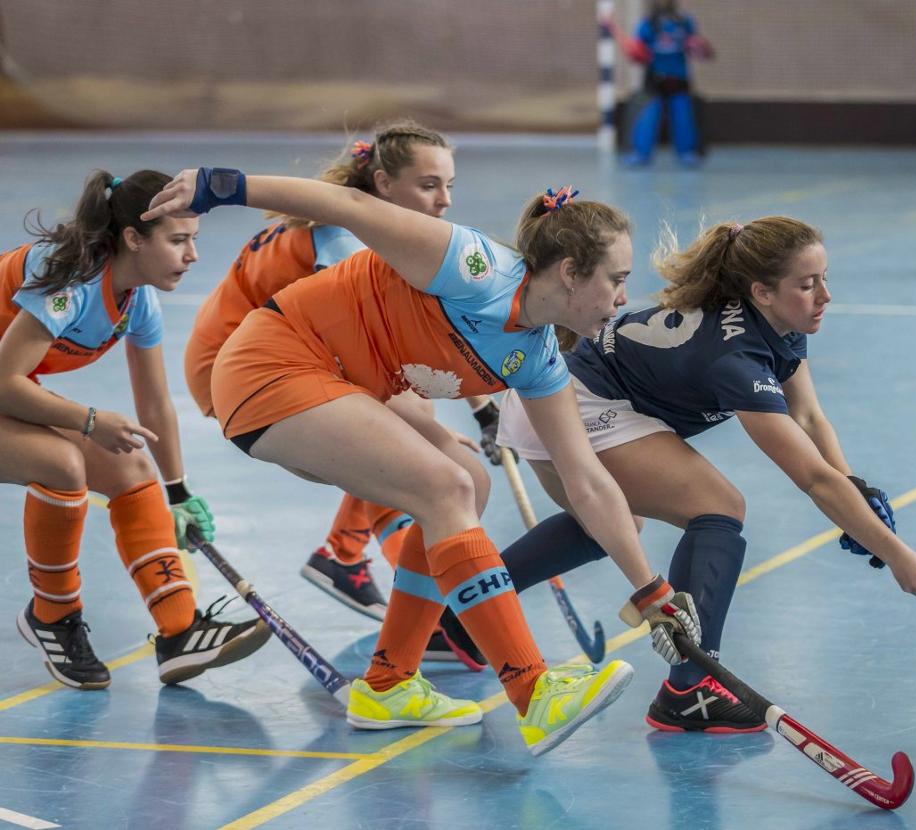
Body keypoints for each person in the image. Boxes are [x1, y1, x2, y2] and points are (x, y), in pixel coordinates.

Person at [144, 169, 702, 756]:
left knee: (470, 483)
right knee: (445, 486)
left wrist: (650, 591)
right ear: (569, 273)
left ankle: (389, 682)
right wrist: (218, 186)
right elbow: (347, 204)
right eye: (616, 279)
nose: (621, 297)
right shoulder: (471, 265)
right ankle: (534, 691)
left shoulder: (537, 356)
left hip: (339, 384)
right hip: (272, 362)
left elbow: (586, 480)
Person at [496, 217, 916, 732]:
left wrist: (855, 490)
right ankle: (690, 689)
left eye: (824, 278)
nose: (826, 295)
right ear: (762, 292)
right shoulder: (736, 359)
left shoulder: (776, 322)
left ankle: (459, 622)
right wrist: (897, 554)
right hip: (568, 400)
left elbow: (809, 418)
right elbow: (813, 479)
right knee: (718, 506)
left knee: (618, 523)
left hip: (588, 393)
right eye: (808, 283)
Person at [183, 121, 497, 667]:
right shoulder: (344, 244)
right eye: (428, 186)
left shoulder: (380, 231)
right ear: (381, 183)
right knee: (421, 454)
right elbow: (381, 352)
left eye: (450, 186)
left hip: (278, 353)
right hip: (236, 366)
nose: (444, 202)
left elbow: (434, 328)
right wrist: (440, 429)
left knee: (416, 451)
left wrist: (485, 408)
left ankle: (345, 555)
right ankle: (412, 596)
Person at [0, 170, 271, 690]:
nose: (192, 255)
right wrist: (90, 421)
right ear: (133, 238)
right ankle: (51, 616)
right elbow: (7, 384)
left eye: (193, 240)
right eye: (178, 240)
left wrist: (177, 492)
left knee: (132, 466)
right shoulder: (69, 281)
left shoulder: (135, 299)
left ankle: (180, 631)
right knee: (63, 463)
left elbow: (154, 403)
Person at [611, 0, 715, 168]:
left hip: (679, 79)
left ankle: (687, 152)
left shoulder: (685, 22)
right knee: (649, 117)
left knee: (683, 116)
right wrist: (616, 30)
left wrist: (700, 47)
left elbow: (701, 50)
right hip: (654, 79)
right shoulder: (648, 23)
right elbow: (637, 52)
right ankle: (640, 153)